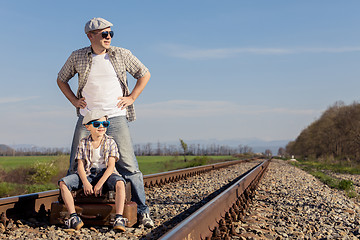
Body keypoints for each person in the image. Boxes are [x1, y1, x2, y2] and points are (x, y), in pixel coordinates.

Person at [57, 17, 154, 227]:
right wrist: (74, 100)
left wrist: (132, 98)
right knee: (76, 164)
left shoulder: (121, 54)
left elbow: (144, 73)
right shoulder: (77, 56)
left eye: (111, 33)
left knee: (129, 166)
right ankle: (68, 211)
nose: (108, 37)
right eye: (104, 34)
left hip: (116, 116)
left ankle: (143, 212)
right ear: (90, 36)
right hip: (87, 117)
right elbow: (61, 79)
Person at [58, 110, 127, 231]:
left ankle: (119, 217)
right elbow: (80, 165)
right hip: (88, 173)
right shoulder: (83, 142)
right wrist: (85, 182)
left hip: (106, 174)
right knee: (63, 183)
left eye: (105, 124)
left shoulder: (111, 142)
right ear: (88, 126)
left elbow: (111, 166)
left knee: (120, 183)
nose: (101, 127)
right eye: (97, 124)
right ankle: (74, 217)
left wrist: (100, 183)